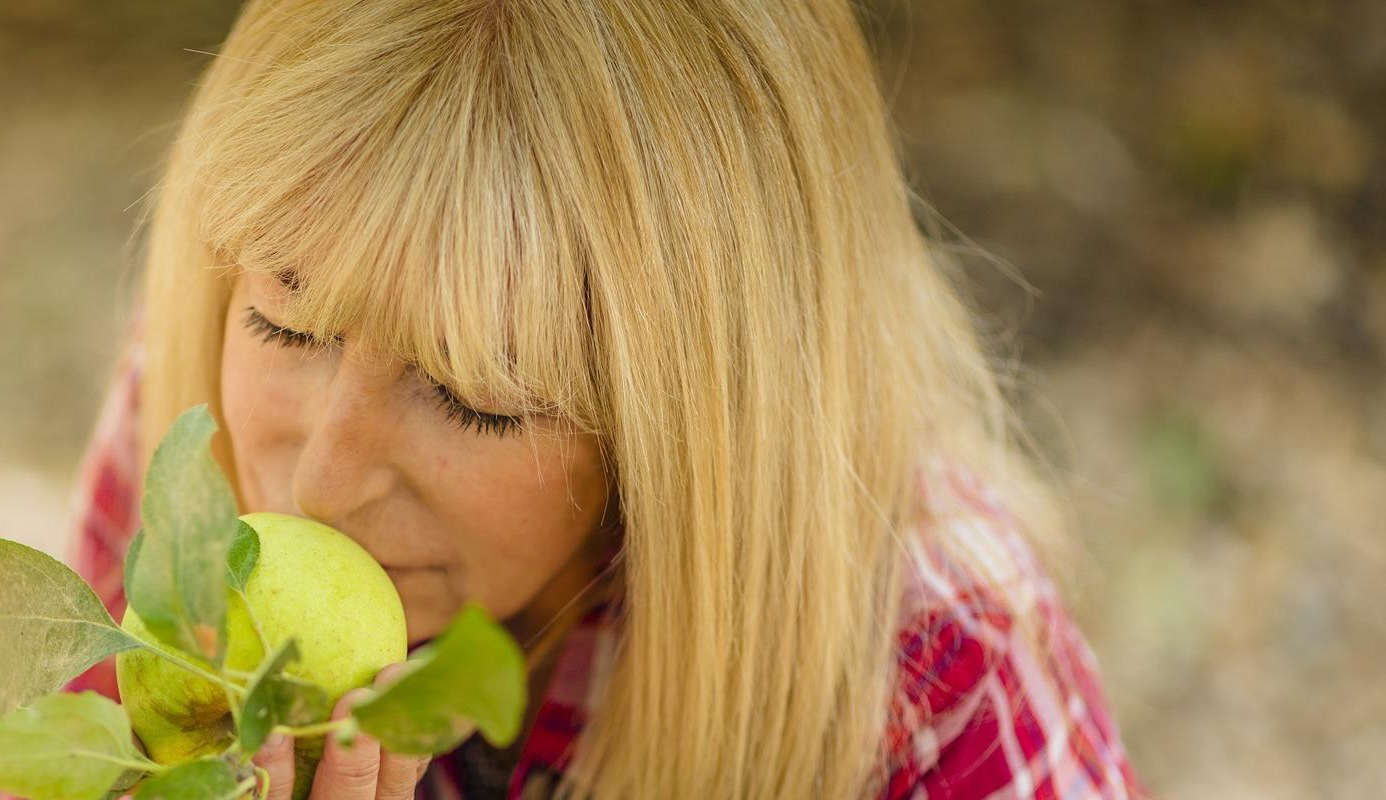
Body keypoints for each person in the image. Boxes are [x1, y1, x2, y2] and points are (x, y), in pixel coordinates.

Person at [55, 0, 1144, 797]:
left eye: (477, 396)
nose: (324, 479)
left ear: (690, 412)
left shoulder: (930, 686)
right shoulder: (189, 425)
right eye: (287, 324)